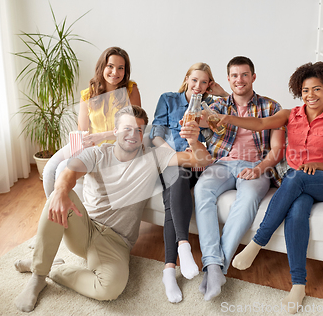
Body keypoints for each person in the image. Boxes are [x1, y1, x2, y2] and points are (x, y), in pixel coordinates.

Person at [14, 105, 212, 312]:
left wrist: (192, 140)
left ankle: (54, 268)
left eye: (138, 130)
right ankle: (37, 277)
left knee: (110, 289)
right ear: (115, 130)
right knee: (59, 195)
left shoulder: (154, 157)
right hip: (85, 228)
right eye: (127, 128)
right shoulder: (98, 154)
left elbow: (203, 159)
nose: (133, 135)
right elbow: (68, 173)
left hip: (117, 242)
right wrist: (61, 191)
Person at [224, 61, 323, 314]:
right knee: (297, 211)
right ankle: (298, 286)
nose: (310, 95)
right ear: (298, 92)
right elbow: (260, 124)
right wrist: (226, 118)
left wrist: (315, 164)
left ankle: (257, 242)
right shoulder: (291, 114)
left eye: (316, 89)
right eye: (305, 90)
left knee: (297, 176)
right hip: (298, 184)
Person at [194, 56, 286, 301]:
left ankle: (215, 269)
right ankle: (215, 265)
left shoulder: (271, 107)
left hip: (256, 165)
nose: (239, 80)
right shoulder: (217, 107)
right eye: (234, 75)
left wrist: (260, 169)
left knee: (246, 201)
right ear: (228, 79)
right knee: (202, 191)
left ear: (253, 77)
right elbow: (196, 121)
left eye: (244, 74)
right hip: (222, 164)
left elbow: (277, 150)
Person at [149, 62, 228, 303]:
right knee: (178, 175)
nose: (198, 86)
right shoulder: (168, 99)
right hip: (171, 162)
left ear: (209, 86)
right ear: (186, 79)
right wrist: (171, 156)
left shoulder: (208, 110)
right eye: (195, 80)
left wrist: (222, 94)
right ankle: (180, 251)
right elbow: (156, 134)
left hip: (195, 165)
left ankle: (170, 269)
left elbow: (221, 132)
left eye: (204, 82)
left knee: (180, 179)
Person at [43, 46, 141, 197]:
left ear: (125, 71)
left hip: (112, 148)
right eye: (110, 66)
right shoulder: (88, 94)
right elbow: (82, 129)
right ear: (102, 67)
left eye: (121, 68)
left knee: (64, 167)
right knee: (49, 169)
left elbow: (134, 128)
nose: (115, 72)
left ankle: (66, 212)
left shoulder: (130, 90)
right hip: (90, 144)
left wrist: (101, 136)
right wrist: (78, 146)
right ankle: (53, 213)